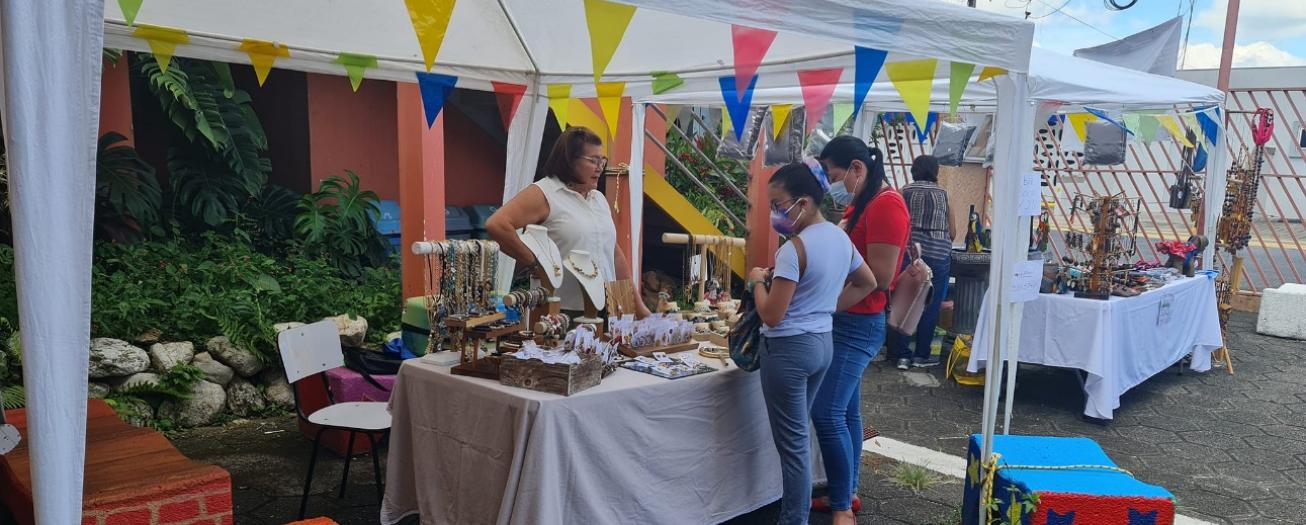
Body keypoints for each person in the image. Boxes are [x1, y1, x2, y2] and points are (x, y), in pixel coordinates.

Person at [748, 161, 877, 525]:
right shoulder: (840, 237)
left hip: (788, 350)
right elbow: (867, 282)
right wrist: (825, 309)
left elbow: (772, 314)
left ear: (803, 203)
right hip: (822, 343)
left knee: (793, 448)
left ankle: (793, 519)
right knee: (799, 439)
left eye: (777, 204)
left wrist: (757, 282)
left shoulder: (794, 250)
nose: (774, 212)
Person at [809, 136, 909, 520]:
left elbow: (881, 277)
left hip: (860, 323)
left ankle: (841, 509)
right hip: (845, 319)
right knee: (847, 411)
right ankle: (846, 491)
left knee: (827, 412)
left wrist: (822, 307)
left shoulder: (887, 205)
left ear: (857, 168)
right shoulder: (862, 201)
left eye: (835, 175)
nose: (833, 184)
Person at [486, 127, 651, 317]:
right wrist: (535, 264)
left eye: (602, 160)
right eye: (593, 161)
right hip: (561, 311)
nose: (600, 167)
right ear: (570, 160)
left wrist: (638, 308)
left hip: (608, 307)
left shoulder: (598, 199)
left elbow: (613, 255)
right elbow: (497, 225)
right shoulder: (545, 193)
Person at [888, 155, 954, 369]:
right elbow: (952, 232)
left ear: (913, 170)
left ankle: (901, 355)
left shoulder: (903, 191)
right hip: (938, 254)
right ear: (935, 172)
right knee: (930, 305)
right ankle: (921, 355)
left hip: (910, 253)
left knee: (905, 301)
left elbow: (896, 224)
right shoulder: (944, 194)